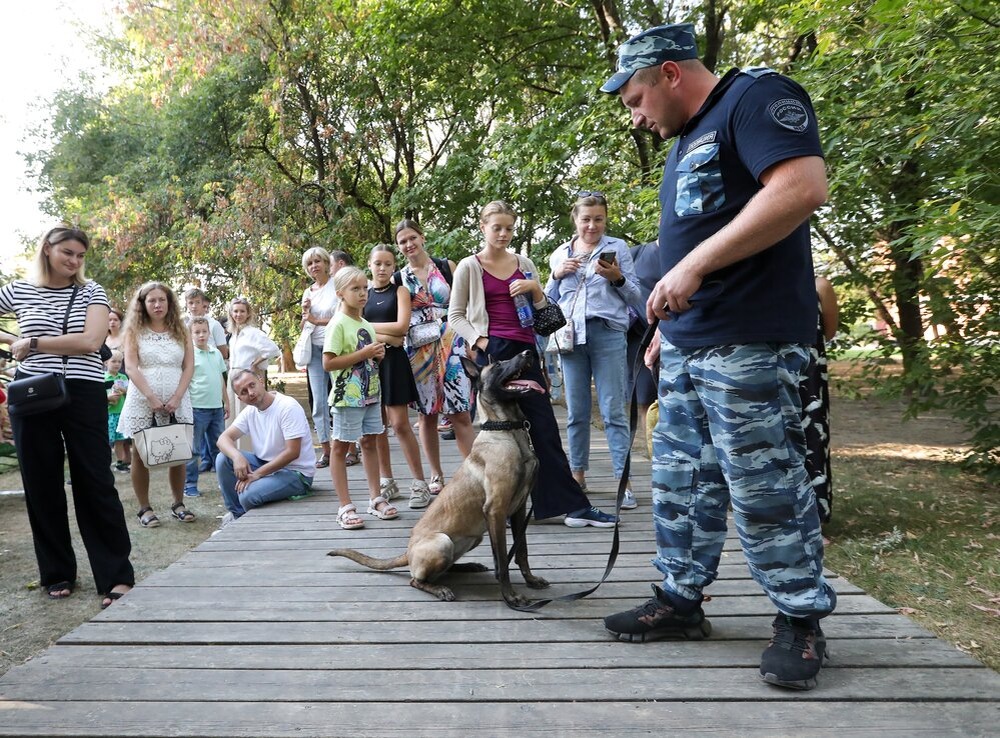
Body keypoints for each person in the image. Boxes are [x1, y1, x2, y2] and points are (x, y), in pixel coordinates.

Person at [599, 24, 837, 691]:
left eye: (637, 99)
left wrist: (694, 268)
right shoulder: (686, 140)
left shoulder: (754, 99)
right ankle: (680, 600)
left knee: (764, 487)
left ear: (670, 73)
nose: (639, 118)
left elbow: (800, 187)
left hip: (752, 342)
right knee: (681, 484)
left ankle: (799, 619)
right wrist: (665, 326)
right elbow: (699, 234)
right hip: (686, 343)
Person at [449, 200, 618, 528]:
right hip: (494, 355)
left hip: (525, 351)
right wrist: (481, 342)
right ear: (482, 227)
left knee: (543, 429)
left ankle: (572, 507)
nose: (503, 233)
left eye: (508, 228)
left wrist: (536, 290)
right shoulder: (470, 266)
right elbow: (455, 315)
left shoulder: (524, 264)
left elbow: (546, 318)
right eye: (496, 227)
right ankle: (499, 503)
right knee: (498, 434)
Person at [0, 226, 133, 608]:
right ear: (47, 248)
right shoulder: (18, 289)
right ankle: (56, 572)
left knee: (95, 480)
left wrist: (34, 343)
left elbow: (91, 341)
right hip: (31, 392)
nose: (74, 261)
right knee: (41, 484)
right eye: (67, 253)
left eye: (80, 255)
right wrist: (13, 343)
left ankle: (116, 575)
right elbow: (20, 342)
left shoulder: (92, 291)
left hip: (83, 391)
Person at [547, 191, 642, 509]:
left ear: (605, 219)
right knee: (576, 413)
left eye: (598, 219)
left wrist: (617, 278)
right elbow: (547, 300)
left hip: (608, 335)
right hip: (571, 337)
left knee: (614, 411)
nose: (592, 225)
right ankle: (578, 479)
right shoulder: (560, 253)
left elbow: (636, 296)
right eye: (585, 219)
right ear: (575, 219)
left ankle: (623, 483)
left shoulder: (618, 248)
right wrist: (556, 275)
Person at [394, 219, 475, 494]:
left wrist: (472, 340)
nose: (408, 244)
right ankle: (436, 475)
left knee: (460, 412)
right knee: (427, 415)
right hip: (418, 349)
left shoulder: (445, 267)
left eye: (412, 238)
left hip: (453, 344)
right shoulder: (399, 278)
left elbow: (464, 306)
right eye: (402, 241)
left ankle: (474, 472)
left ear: (422, 237)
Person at [118, 281, 196, 527]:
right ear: (143, 304)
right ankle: (145, 508)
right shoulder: (134, 331)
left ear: (169, 302)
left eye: (162, 299)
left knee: (179, 453)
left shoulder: (181, 329)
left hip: (177, 398)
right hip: (142, 399)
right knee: (140, 454)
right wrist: (151, 397)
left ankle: (178, 503)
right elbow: (130, 366)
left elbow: (189, 365)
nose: (157, 304)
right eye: (151, 300)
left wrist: (177, 397)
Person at [323, 266, 396, 529]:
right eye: (356, 289)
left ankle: (376, 498)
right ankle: (344, 506)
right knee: (341, 447)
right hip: (346, 398)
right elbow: (328, 364)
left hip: (371, 395)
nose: (363, 293)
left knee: (370, 442)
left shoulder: (365, 324)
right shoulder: (337, 324)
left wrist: (377, 355)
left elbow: (368, 356)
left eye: (365, 288)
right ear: (340, 293)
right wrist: (365, 354)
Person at [364, 244, 432, 509]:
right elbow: (354, 328)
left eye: (388, 264)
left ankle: (419, 483)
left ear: (394, 267)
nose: (382, 268)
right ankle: (387, 480)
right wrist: (383, 333)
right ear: (369, 265)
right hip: (369, 363)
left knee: (400, 424)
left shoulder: (400, 291)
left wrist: (369, 328)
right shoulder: (363, 294)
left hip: (394, 361)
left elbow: (401, 329)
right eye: (378, 263)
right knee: (376, 426)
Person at [215, 368, 316, 526]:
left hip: (296, 473)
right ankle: (237, 516)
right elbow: (223, 439)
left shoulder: (287, 406)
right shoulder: (250, 412)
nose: (251, 392)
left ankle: (243, 517)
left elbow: (292, 452)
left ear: (261, 381)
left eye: (252, 385)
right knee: (223, 458)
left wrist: (257, 474)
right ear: (239, 398)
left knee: (247, 495)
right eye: (244, 391)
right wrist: (237, 456)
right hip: (265, 463)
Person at [299, 247, 352, 469]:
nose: (314, 266)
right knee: (319, 404)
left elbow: (344, 316)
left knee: (343, 399)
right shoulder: (308, 292)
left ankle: (351, 448)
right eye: (310, 263)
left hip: (337, 348)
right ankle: (327, 450)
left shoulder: (337, 285)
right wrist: (305, 316)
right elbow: (305, 324)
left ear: (326, 263)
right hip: (315, 351)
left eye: (318, 261)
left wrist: (315, 319)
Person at [801, 275, 838, 526]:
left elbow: (829, 331)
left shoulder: (819, 286)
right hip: (763, 371)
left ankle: (813, 520)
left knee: (812, 440)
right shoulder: (756, 282)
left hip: (809, 377)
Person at [183, 316, 230, 498]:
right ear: (191, 334)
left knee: (219, 447)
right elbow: (186, 381)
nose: (201, 335)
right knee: (194, 450)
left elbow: (220, 379)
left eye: (204, 331)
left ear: (209, 333)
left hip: (216, 408)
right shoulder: (189, 354)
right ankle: (190, 485)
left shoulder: (216, 353)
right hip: (197, 408)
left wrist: (225, 401)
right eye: (197, 332)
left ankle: (224, 481)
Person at [626, 240, 661, 455]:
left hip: (678, 334)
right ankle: (654, 455)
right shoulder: (635, 254)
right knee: (644, 401)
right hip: (639, 341)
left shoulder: (689, 248)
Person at [226, 297, 280, 420]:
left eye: (242, 311)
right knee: (234, 413)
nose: (238, 314)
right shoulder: (234, 335)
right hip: (232, 375)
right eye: (235, 311)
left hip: (245, 375)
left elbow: (273, 349)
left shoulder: (253, 333)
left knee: (246, 411)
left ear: (248, 313)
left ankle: (249, 440)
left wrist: (255, 363)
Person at [184, 288, 229, 360]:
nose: (194, 306)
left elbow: (223, 353)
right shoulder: (184, 324)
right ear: (187, 304)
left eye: (197, 302)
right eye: (191, 303)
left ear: (202, 303)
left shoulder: (214, 324)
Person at [104, 349, 130, 473]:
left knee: (120, 439)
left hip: (121, 412)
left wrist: (123, 390)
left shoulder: (123, 377)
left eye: (119, 362)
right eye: (113, 361)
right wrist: (109, 399)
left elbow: (130, 393)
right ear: (106, 363)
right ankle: (105, 463)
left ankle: (120, 462)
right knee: (108, 440)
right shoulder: (103, 378)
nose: (116, 364)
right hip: (108, 413)